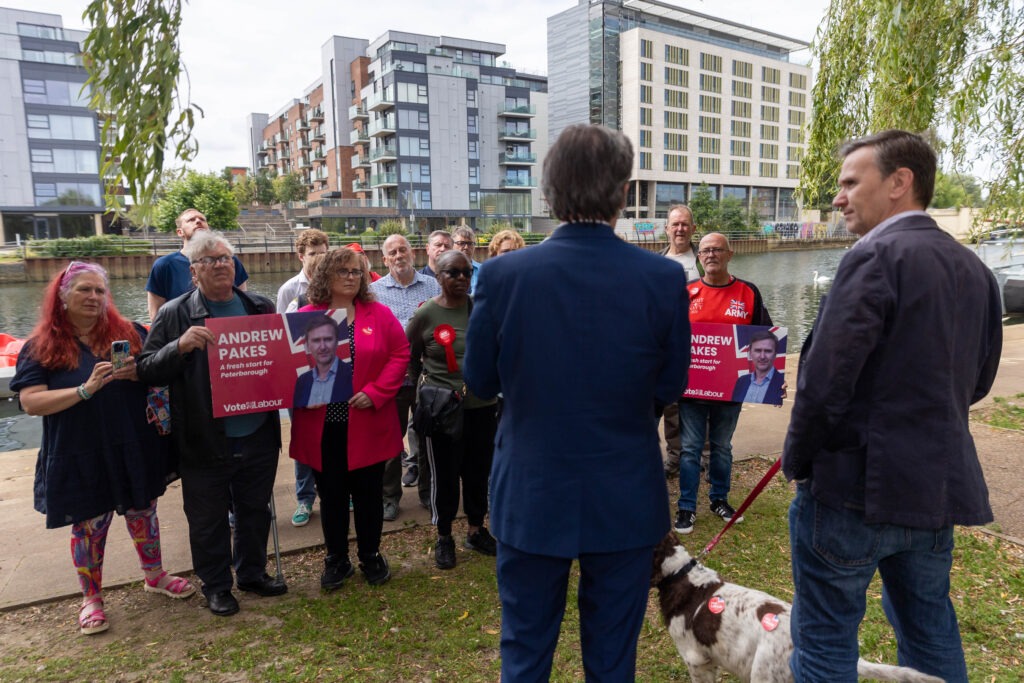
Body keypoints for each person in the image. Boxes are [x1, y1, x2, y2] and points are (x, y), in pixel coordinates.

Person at [464, 123, 690, 680]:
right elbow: (671, 384)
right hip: (624, 490)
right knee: (613, 659)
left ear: (549, 194)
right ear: (620, 193)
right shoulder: (661, 278)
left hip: (532, 489)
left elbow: (479, 381)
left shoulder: (499, 276)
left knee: (524, 649)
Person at [782, 129, 1003, 683]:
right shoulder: (975, 268)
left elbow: (824, 384)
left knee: (825, 638)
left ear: (899, 183)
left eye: (851, 182)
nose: (838, 197)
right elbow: (976, 381)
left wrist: (798, 462)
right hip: (933, 490)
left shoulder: (873, 255)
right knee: (929, 630)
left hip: (853, 490)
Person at [12, 261, 194, 635]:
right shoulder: (41, 346)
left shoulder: (128, 332)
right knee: (90, 525)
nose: (94, 297)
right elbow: (31, 403)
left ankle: (154, 575)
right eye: (84, 290)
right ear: (62, 298)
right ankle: (91, 597)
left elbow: (158, 372)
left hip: (132, 442)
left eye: (99, 290)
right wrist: (85, 390)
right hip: (80, 449)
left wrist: (139, 372)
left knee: (143, 512)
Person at [137, 231, 286, 618]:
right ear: (194, 271)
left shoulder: (258, 305)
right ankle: (217, 586)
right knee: (207, 520)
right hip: (203, 439)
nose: (222, 265)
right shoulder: (175, 313)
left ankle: (252, 573)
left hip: (257, 434)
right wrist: (180, 346)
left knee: (255, 511)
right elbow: (146, 368)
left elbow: (278, 363)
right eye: (211, 260)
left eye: (226, 258)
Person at [290, 248, 409, 589]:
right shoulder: (306, 315)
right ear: (326, 275)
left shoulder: (379, 313)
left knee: (369, 494)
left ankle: (370, 555)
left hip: (366, 420)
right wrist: (302, 395)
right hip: (322, 425)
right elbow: (291, 365)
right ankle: (336, 559)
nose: (350, 277)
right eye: (342, 271)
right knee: (332, 496)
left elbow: (400, 354)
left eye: (356, 271)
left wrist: (377, 392)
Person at [673, 232, 774, 535]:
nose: (711, 255)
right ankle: (687, 507)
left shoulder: (748, 293)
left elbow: (766, 339)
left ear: (730, 254)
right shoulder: (685, 292)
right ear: (698, 257)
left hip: (731, 389)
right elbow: (671, 337)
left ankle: (719, 499)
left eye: (717, 250)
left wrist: (769, 380)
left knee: (721, 448)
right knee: (690, 449)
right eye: (705, 251)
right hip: (692, 389)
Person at [407, 249, 499, 570]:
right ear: (437, 276)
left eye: (466, 273)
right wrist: (414, 400)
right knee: (444, 476)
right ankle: (444, 536)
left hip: (481, 407)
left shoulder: (481, 310)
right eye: (453, 273)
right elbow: (410, 360)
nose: (462, 278)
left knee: (477, 472)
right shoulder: (425, 315)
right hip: (442, 411)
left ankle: (476, 529)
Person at [369, 234, 442, 513]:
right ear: (384, 259)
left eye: (403, 250)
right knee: (390, 439)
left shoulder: (432, 285)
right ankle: (389, 497)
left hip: (427, 375)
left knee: (426, 437)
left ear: (412, 254)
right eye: (392, 252)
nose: (399, 255)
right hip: (392, 378)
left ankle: (427, 492)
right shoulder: (374, 291)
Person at [276, 228, 330, 527]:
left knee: (335, 435)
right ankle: (305, 498)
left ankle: (337, 489)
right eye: (313, 254)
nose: (319, 258)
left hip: (332, 374)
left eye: (323, 252)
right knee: (303, 440)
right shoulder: (288, 290)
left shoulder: (336, 285)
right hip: (301, 378)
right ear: (301, 256)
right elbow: (281, 336)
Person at [658, 204, 701, 478]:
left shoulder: (706, 259)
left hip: (703, 347)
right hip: (669, 346)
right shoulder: (657, 264)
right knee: (671, 406)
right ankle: (674, 458)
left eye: (685, 224)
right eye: (675, 224)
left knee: (701, 405)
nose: (680, 229)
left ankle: (704, 459)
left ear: (693, 228)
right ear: (667, 229)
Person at [145, 208, 248, 322]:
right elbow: (156, 316)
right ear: (180, 232)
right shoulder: (163, 265)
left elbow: (244, 301)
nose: (198, 221)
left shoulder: (229, 260)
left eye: (202, 219)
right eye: (191, 220)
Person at [730, 330, 785, 405]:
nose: (762, 357)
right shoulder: (741, 381)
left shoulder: (781, 384)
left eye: (768, 351)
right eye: (758, 351)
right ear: (750, 353)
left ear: (775, 354)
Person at [451, 226, 482, 294]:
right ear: (452, 245)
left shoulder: (484, 271)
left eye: (470, 243)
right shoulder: (444, 271)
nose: (466, 247)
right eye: (461, 243)